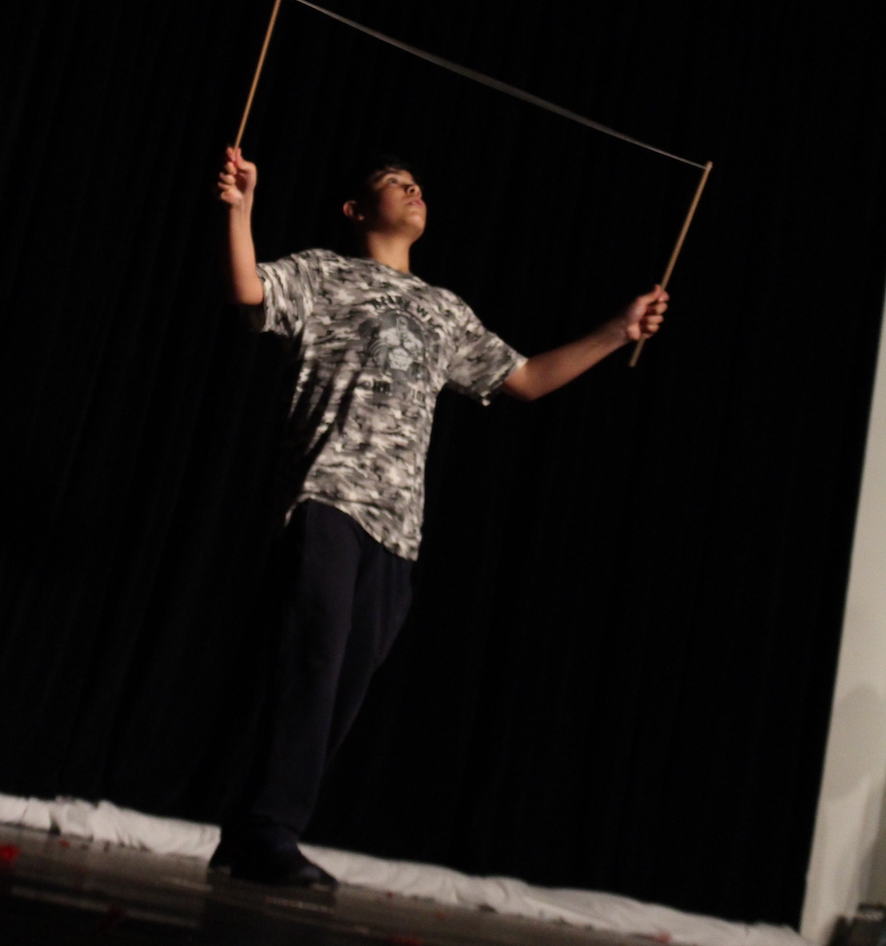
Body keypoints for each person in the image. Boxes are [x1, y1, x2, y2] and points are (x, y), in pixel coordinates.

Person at [212, 147, 668, 888]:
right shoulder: (326, 273)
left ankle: (249, 832)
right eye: (394, 183)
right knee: (313, 663)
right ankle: (270, 832)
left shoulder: (445, 310)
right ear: (357, 210)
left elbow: (526, 379)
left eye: (417, 183)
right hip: (329, 497)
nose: (412, 188)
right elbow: (248, 291)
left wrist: (619, 330)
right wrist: (241, 209)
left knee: (344, 685)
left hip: (399, 529)